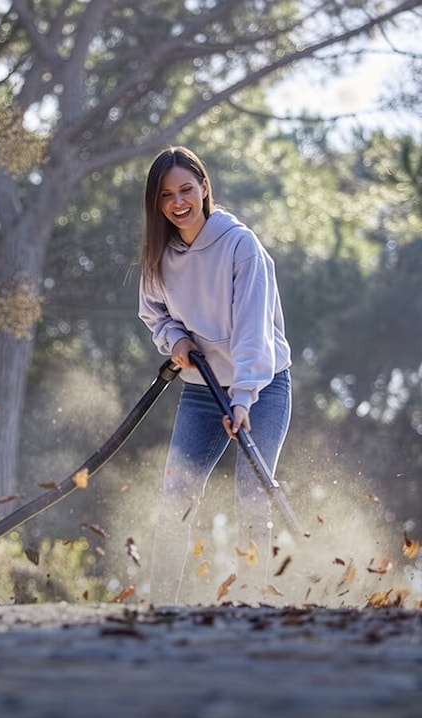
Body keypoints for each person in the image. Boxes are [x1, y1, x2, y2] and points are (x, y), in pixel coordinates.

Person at [138, 146, 292, 604]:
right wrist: (175, 340)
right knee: (177, 495)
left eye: (186, 189)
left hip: (261, 386)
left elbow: (252, 332)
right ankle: (161, 604)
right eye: (166, 195)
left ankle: (251, 603)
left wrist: (243, 397)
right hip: (203, 389)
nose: (178, 202)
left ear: (205, 188)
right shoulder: (159, 254)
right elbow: (154, 314)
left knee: (252, 494)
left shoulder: (241, 246)